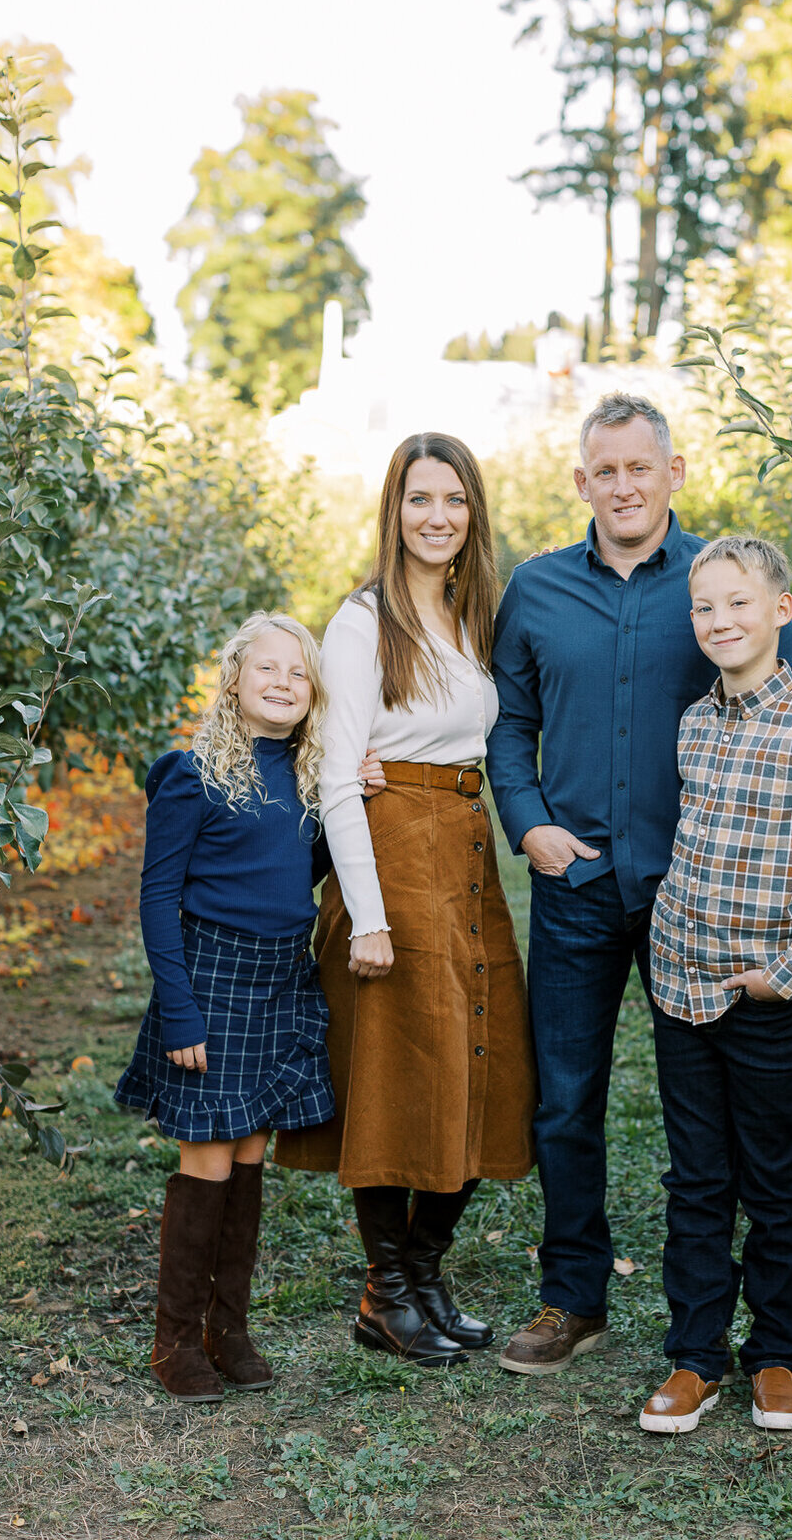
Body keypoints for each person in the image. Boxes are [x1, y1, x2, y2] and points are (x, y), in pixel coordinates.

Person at [487, 392, 792, 1375]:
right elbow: (508, 724)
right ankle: (573, 1295)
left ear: (673, 472)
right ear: (581, 482)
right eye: (605, 470)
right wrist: (528, 822)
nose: (623, 485)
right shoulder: (535, 589)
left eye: (640, 467)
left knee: (707, 1130)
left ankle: (730, 1327)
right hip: (578, 882)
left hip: (698, 903)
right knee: (565, 1099)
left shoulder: (720, 583)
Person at [275, 431, 537, 1367]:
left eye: (454, 500)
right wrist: (369, 915)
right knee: (397, 1071)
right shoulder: (363, 621)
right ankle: (388, 1291)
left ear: (474, 514)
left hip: (464, 851)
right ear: (394, 511)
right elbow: (340, 774)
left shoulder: (475, 614)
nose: (438, 517)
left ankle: (423, 1273)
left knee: (487, 1062)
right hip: (392, 852)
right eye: (420, 499)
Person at [638, 535, 792, 1436]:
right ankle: (695, 1357)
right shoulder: (694, 724)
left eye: (738, 602)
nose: (719, 620)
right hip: (682, 988)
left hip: (768, 999)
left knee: (773, 1183)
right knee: (696, 1181)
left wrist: (786, 972)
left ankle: (774, 1355)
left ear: (781, 610)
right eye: (704, 606)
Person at [115, 612, 335, 1403]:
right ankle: (174, 1339)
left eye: (299, 672)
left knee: (249, 1153)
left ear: (314, 692)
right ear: (235, 678)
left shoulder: (308, 778)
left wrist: (354, 792)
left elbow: (300, 866)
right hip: (212, 980)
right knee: (208, 1154)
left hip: (281, 978)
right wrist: (179, 1011)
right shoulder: (193, 774)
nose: (283, 682)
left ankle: (228, 1328)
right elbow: (157, 896)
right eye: (267, 667)